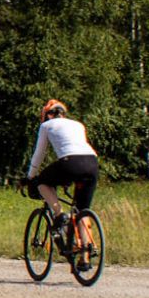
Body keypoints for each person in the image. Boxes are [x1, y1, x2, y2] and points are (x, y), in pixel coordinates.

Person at [23, 99, 98, 238]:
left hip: (70, 162)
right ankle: (85, 254)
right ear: (63, 114)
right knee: (82, 211)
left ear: (48, 115)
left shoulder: (46, 125)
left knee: (42, 182)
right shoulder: (78, 125)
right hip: (92, 162)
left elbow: (39, 154)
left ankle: (60, 215)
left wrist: (30, 176)